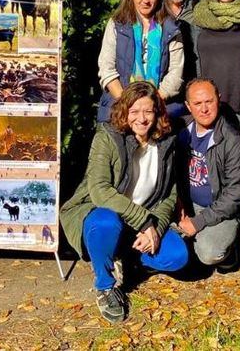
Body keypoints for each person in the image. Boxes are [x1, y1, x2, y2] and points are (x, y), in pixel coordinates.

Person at [59, 82, 189, 322]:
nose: (142, 118)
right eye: (135, 111)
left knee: (177, 255)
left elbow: (169, 194)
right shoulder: (107, 137)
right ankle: (105, 284)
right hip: (102, 212)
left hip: (143, 222)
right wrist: (145, 221)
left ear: (157, 113)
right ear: (125, 112)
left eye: (148, 111)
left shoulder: (165, 143)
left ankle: (124, 259)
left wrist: (156, 229)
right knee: (106, 223)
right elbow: (99, 190)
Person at [176, 79, 240, 268]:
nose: (204, 109)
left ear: (219, 100)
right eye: (197, 103)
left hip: (221, 210)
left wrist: (199, 222)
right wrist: (177, 203)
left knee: (209, 253)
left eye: (209, 101)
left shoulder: (233, 139)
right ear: (188, 106)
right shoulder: (180, 131)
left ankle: (231, 248)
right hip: (187, 205)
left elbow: (235, 195)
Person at [97, 0, 184, 122]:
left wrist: (151, 103)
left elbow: (176, 73)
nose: (146, 0)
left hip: (159, 108)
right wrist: (128, 104)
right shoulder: (117, 24)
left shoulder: (172, 28)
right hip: (119, 107)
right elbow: (106, 67)